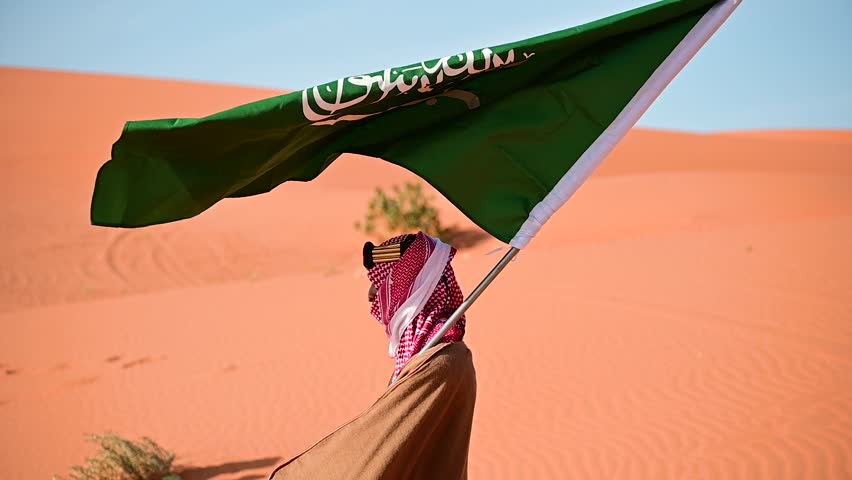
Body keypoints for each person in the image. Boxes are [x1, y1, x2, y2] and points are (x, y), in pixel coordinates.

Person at [269, 232, 477, 480]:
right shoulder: (436, 353)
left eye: (384, 283)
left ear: (407, 286)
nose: (372, 296)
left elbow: (380, 444)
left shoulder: (439, 362)